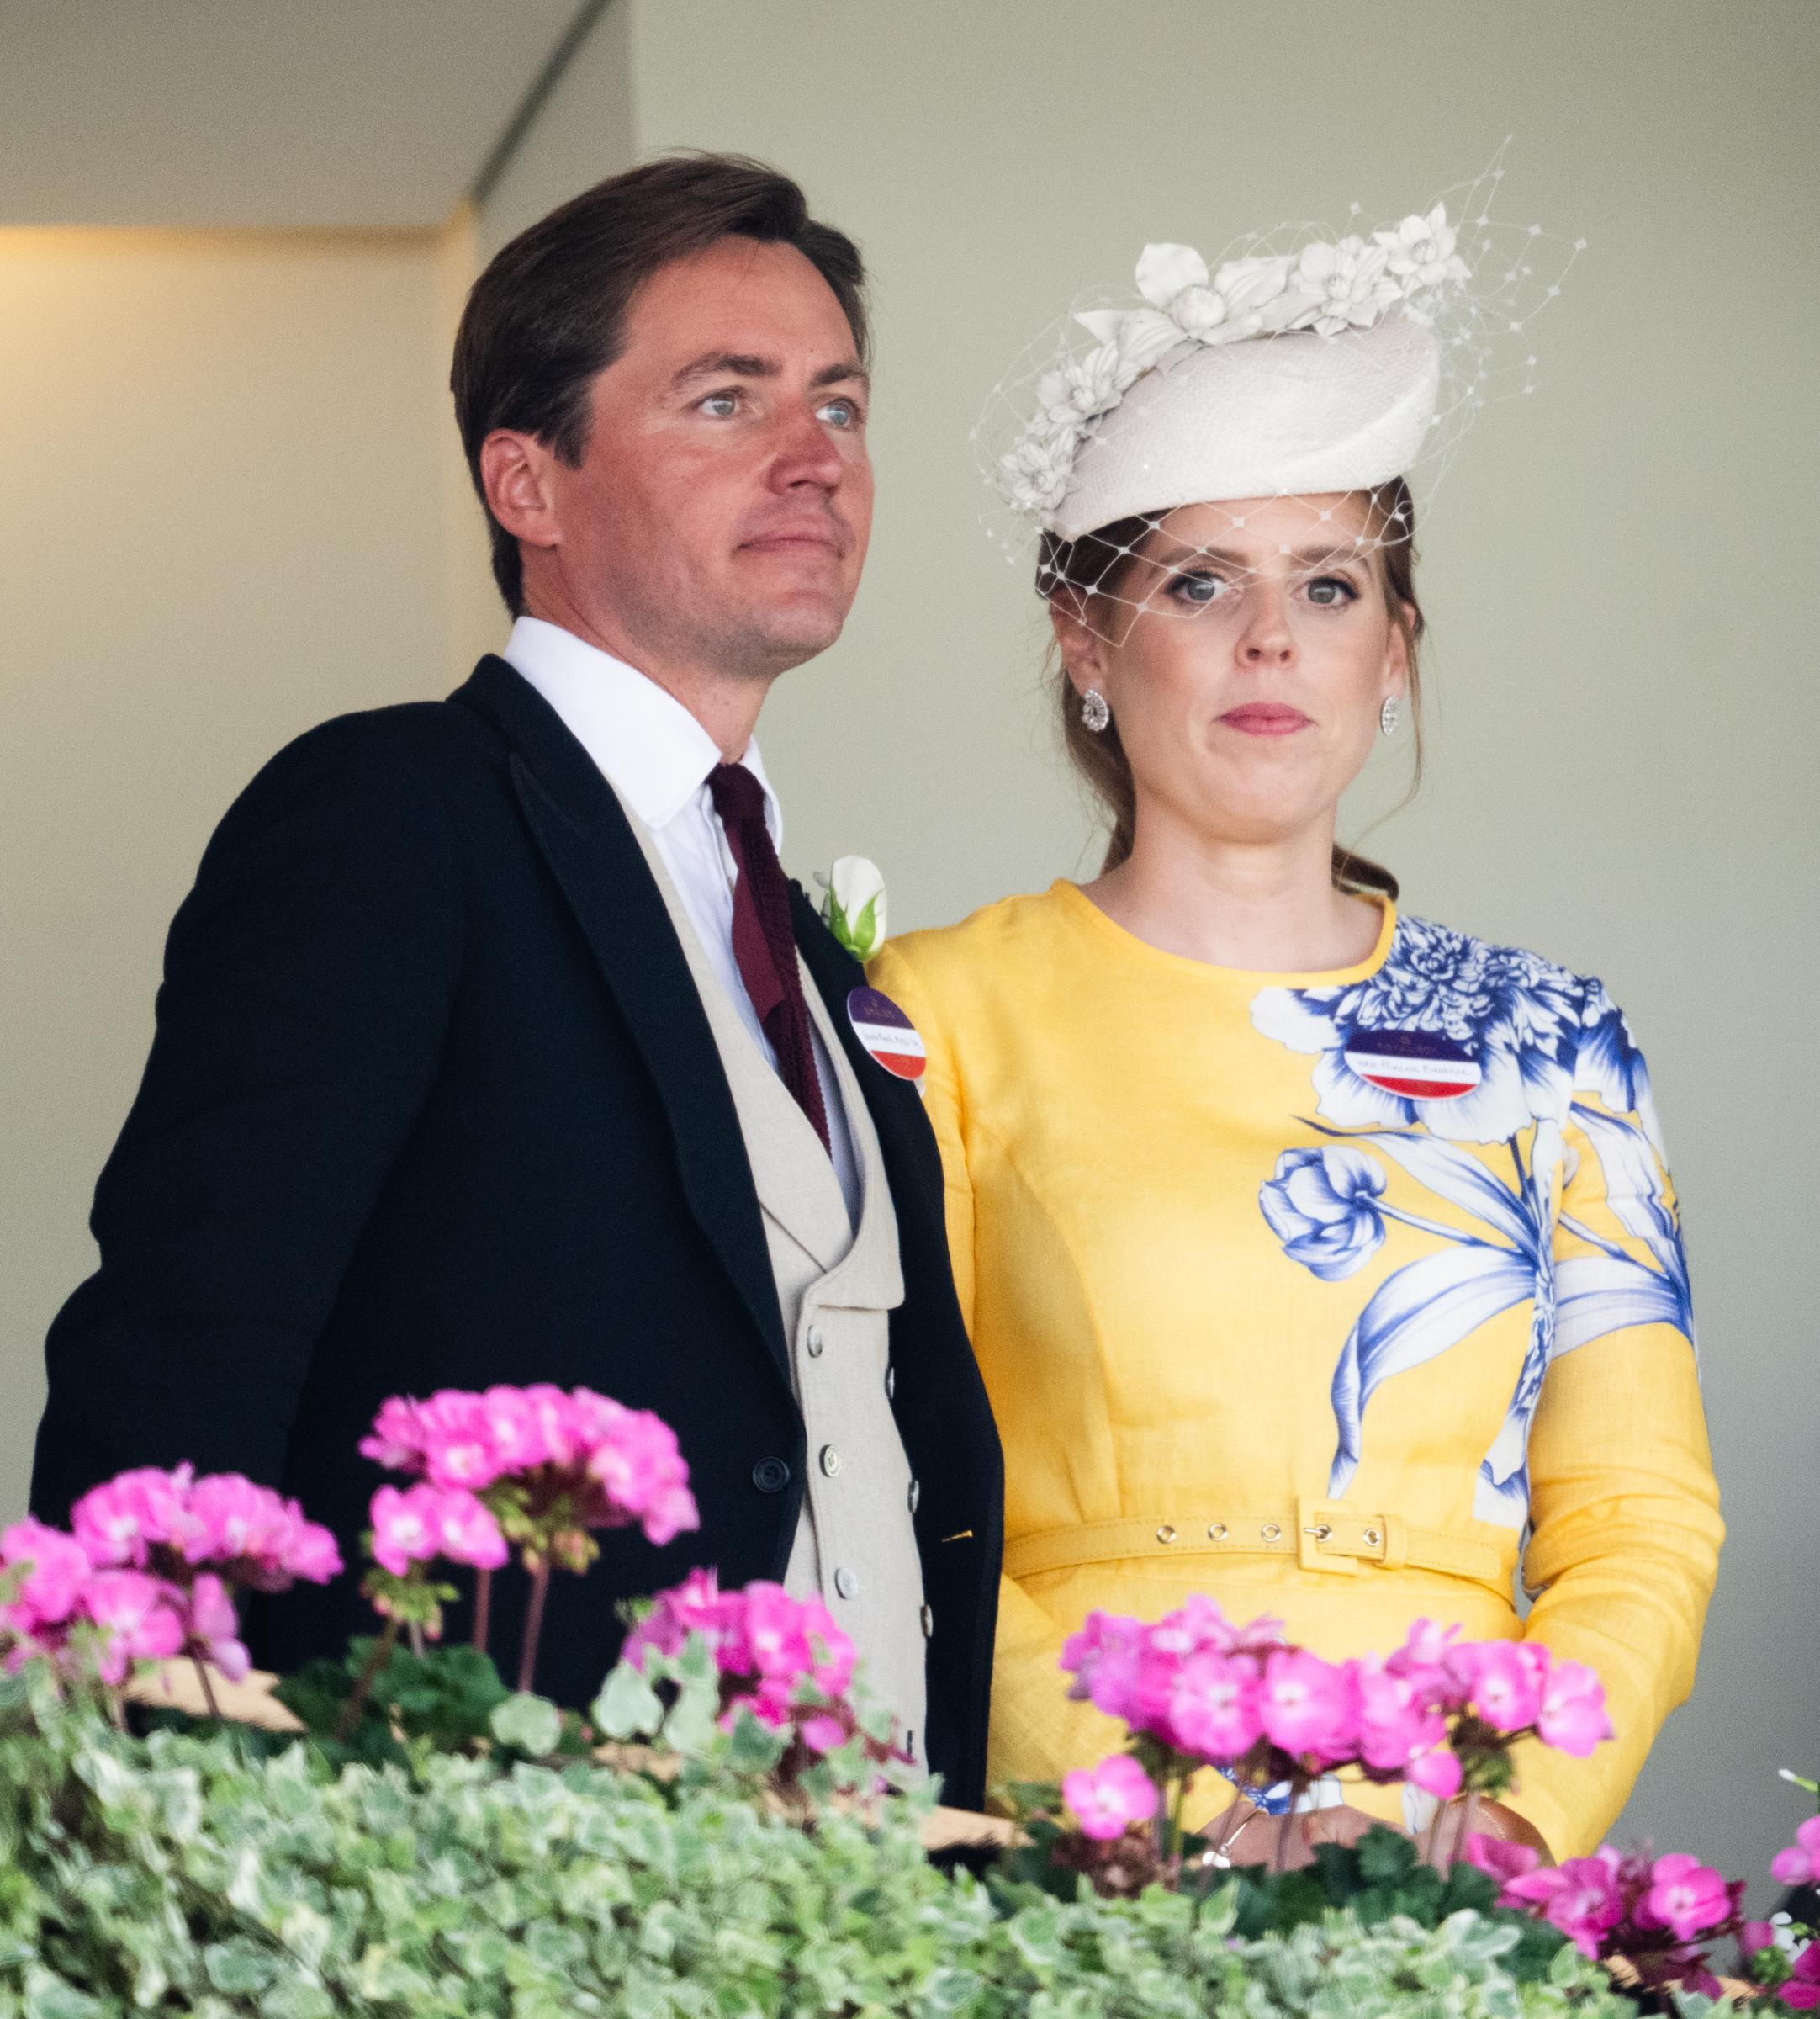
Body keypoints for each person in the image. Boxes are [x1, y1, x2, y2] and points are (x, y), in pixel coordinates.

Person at [30, 154, 1003, 1801]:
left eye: (838, 407)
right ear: (525, 484)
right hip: (478, 1862)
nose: (811, 459)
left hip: (862, 1890)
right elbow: (187, 1345)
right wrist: (166, 1827)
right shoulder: (394, 814)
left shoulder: (802, 946)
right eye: (724, 398)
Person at [870, 196, 1721, 1857]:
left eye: (1327, 586)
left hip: (1448, 1849)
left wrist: (1488, 1827)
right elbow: (901, 1494)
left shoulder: (1550, 1042)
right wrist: (1150, 1814)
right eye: (1200, 582)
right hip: (1081, 1854)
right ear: (1085, 640)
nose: (1271, 637)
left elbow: (1638, 1518)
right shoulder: (939, 1011)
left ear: (1390, 652)